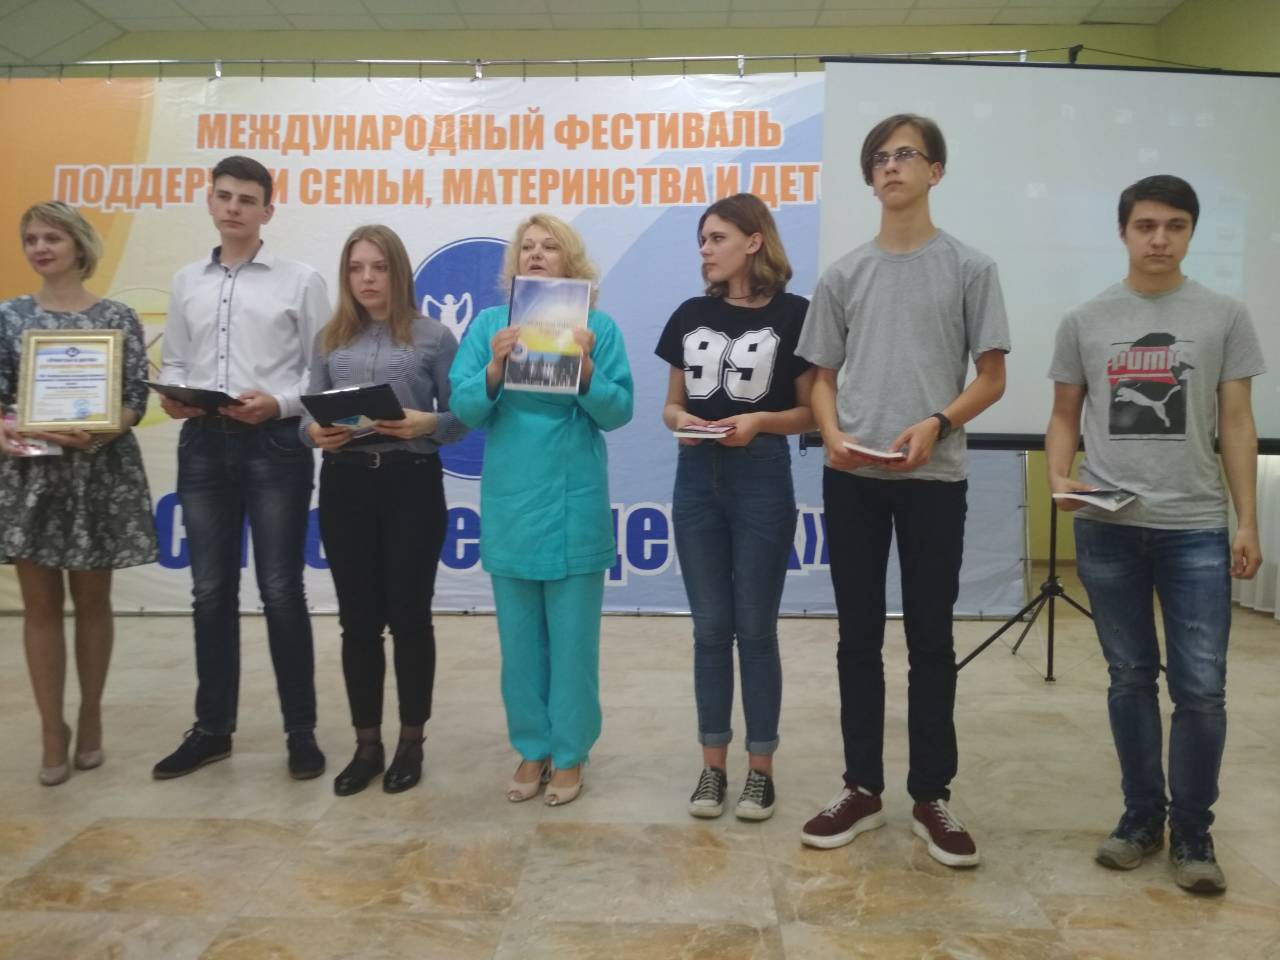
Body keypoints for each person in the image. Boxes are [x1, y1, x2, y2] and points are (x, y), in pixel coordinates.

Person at [795, 114, 1009, 866]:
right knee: (857, 637)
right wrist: (829, 430)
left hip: (933, 477)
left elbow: (992, 377)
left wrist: (938, 423)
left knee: (930, 638)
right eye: (880, 158)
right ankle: (860, 788)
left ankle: (931, 795)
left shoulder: (970, 267)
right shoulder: (843, 274)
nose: (891, 167)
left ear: (935, 171)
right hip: (852, 476)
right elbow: (820, 379)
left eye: (906, 155)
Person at [1046, 175, 1264, 894]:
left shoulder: (1224, 315)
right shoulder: (1085, 319)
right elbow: (1064, 415)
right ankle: (1142, 817)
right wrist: (1060, 476)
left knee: (1201, 688)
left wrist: (1246, 520)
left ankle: (1194, 831)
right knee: (1130, 677)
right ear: (1124, 233)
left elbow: (1237, 422)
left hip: (1194, 527)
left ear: (1191, 232)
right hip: (1108, 526)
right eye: (1146, 226)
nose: (1160, 239)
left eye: (1175, 226)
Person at [153, 155, 331, 781]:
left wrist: (277, 404)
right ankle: (212, 730)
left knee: (281, 590)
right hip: (203, 443)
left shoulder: (300, 280)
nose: (233, 207)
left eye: (246, 199)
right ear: (210, 201)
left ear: (267, 211)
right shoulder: (186, 281)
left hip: (275, 445)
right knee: (209, 592)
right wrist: (174, 395)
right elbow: (178, 360)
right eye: (224, 196)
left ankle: (300, 732)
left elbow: (319, 374)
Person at [449, 213, 633, 807]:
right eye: (526, 247)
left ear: (570, 262)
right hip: (512, 503)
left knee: (574, 643)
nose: (535, 254)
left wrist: (587, 371)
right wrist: (494, 368)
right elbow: (464, 408)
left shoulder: (598, 328)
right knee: (520, 643)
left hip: (574, 501)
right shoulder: (489, 327)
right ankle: (533, 746)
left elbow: (619, 411)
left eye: (549, 246)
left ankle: (571, 752)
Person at [656, 194, 814, 821]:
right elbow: (670, 406)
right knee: (708, 630)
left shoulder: (795, 314)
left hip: (761, 476)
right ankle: (712, 767)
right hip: (696, 477)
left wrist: (758, 422)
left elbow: (810, 413)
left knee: (755, 628)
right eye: (702, 239)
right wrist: (683, 421)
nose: (705, 249)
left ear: (754, 241)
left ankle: (761, 771)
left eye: (717, 237)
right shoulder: (690, 314)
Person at [302, 225, 466, 796]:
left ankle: (410, 741)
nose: (367, 278)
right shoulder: (329, 338)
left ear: (398, 272)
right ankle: (366, 744)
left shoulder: (434, 336)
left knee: (410, 617)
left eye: (378, 267)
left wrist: (428, 423)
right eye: (356, 268)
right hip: (345, 485)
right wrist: (313, 432)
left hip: (410, 483)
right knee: (358, 622)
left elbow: (462, 417)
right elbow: (308, 415)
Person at [0, 202, 158, 785]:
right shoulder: (9, 317)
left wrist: (103, 427)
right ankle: (52, 728)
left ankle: (90, 716)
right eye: (31, 239)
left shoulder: (117, 316)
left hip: (98, 473)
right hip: (32, 475)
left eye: (53, 238)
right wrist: (8, 426)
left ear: (79, 246)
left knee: (93, 603)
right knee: (40, 608)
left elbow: (136, 395)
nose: (41, 248)